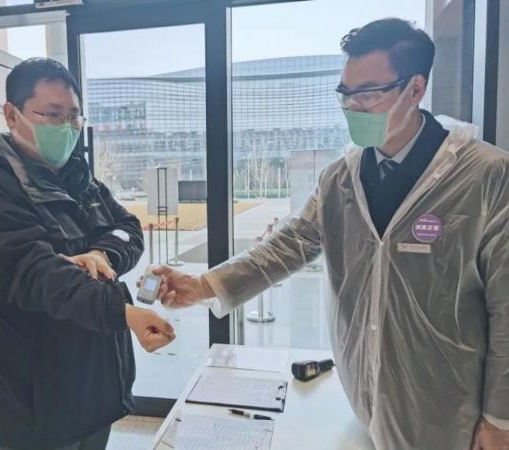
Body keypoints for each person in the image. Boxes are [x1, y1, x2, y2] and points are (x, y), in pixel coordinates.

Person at [150, 19, 509, 450]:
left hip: (452, 409)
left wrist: (500, 417)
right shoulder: (341, 177)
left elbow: (506, 304)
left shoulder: (485, 174)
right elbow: (288, 246)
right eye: (346, 93)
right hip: (364, 395)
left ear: (416, 89)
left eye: (369, 93)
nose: (353, 106)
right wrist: (204, 285)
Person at [0, 57, 175, 450]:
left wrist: (102, 254)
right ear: (12, 115)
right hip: (32, 406)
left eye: (73, 116)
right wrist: (122, 313)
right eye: (52, 115)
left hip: (95, 393)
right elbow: (35, 273)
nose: (66, 128)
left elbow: (127, 228)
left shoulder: (80, 179)